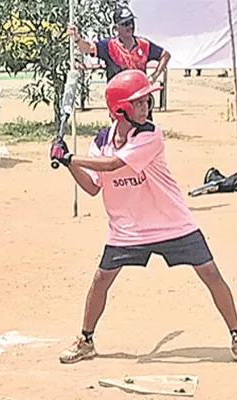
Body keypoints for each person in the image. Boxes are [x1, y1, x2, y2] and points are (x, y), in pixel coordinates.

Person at [50, 69, 237, 364]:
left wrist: (69, 157)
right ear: (120, 109)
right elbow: (91, 187)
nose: (146, 106)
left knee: (211, 274)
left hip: (172, 222)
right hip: (129, 230)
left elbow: (113, 165)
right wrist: (68, 164)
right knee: (101, 280)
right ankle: (86, 340)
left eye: (146, 101)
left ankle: (236, 335)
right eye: (138, 102)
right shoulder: (100, 141)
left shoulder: (150, 134)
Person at [68, 7, 171, 120]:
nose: (130, 26)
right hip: (120, 102)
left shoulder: (144, 45)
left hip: (141, 101)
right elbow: (88, 48)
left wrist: (154, 77)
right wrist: (77, 39)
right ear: (116, 28)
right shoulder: (109, 46)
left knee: (144, 135)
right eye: (126, 23)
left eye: (131, 22)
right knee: (121, 135)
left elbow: (165, 55)